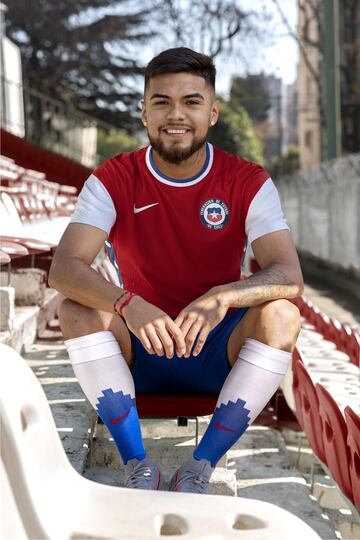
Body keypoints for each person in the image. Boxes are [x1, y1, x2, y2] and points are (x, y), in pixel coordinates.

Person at [49, 47, 303, 494]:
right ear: (143, 112)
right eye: (162, 101)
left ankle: (200, 467)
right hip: (139, 349)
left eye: (191, 101)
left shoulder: (247, 181)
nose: (176, 114)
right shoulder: (113, 178)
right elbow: (64, 269)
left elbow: (288, 275)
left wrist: (224, 295)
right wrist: (127, 303)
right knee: (76, 309)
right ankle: (137, 465)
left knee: (282, 313)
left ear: (213, 112)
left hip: (217, 350)